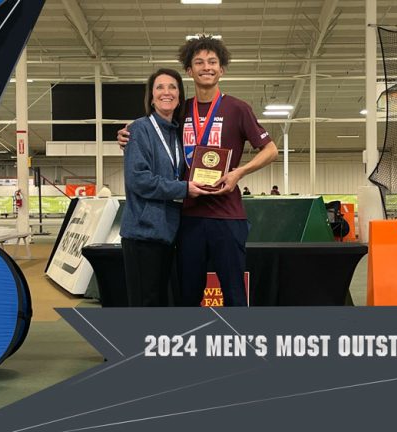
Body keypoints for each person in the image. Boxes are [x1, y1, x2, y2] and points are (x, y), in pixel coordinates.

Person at [119, 36, 278, 307]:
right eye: (199, 62)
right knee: (188, 296)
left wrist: (239, 173)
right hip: (188, 218)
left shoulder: (238, 108)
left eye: (212, 62)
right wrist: (126, 133)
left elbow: (271, 150)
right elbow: (155, 128)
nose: (206, 67)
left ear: (221, 69)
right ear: (189, 71)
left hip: (227, 216)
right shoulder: (181, 111)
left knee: (235, 295)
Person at [120, 68, 209, 307]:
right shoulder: (139, 129)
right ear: (151, 97)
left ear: (180, 97)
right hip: (143, 233)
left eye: (172, 87)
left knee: (162, 302)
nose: (166, 92)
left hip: (169, 233)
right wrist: (184, 189)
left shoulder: (178, 133)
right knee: (146, 305)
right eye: (159, 87)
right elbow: (138, 180)